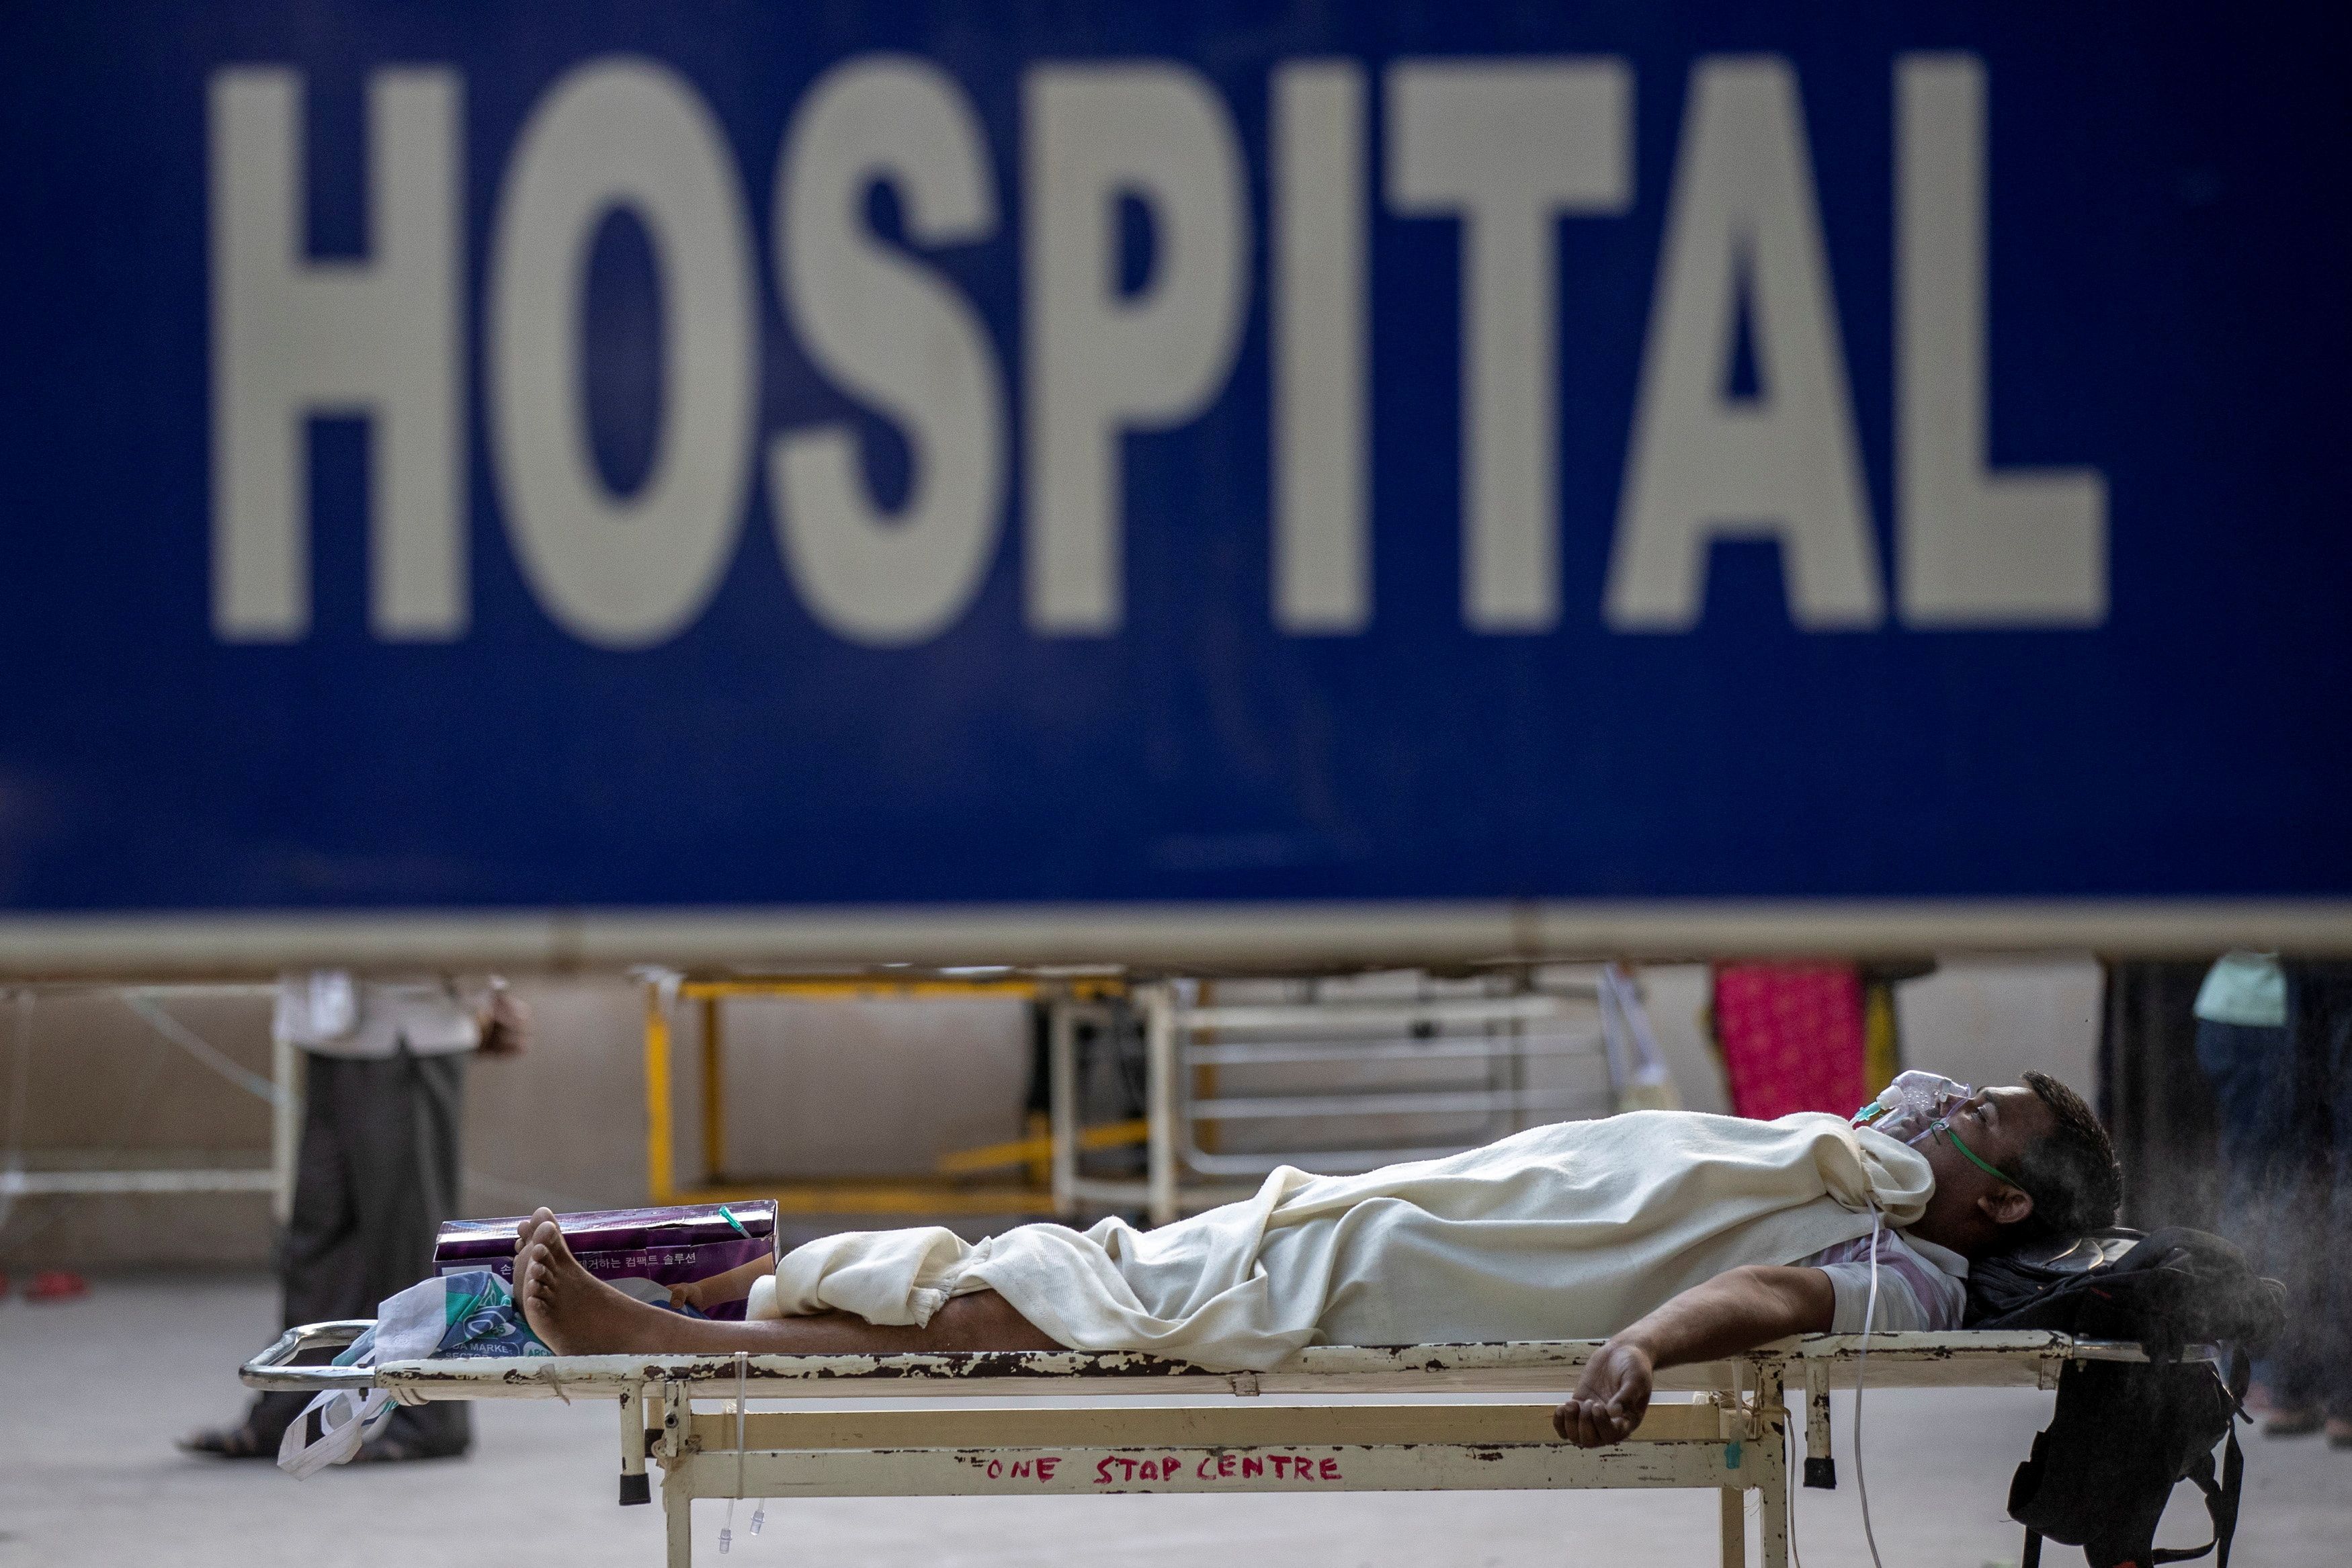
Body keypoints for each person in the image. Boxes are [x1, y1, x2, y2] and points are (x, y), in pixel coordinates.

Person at [509, 1070, 2119, 1448]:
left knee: (1041, 1312)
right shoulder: (1864, 1154)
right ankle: (730, 1289)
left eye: (1988, 1113)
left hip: (1394, 1283)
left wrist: (1644, 1345)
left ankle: (667, 1336)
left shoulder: (1908, 1255)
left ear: (2006, 1209)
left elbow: (1767, 1297)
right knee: (1078, 1260)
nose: (1949, 1098)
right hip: (1383, 1209)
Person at [181, 972, 526, 1463]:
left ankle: (431, 1415)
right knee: (320, 1232)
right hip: (333, 1025)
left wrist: (483, 992)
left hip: (407, 1031)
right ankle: (293, 1406)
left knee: (408, 1234)